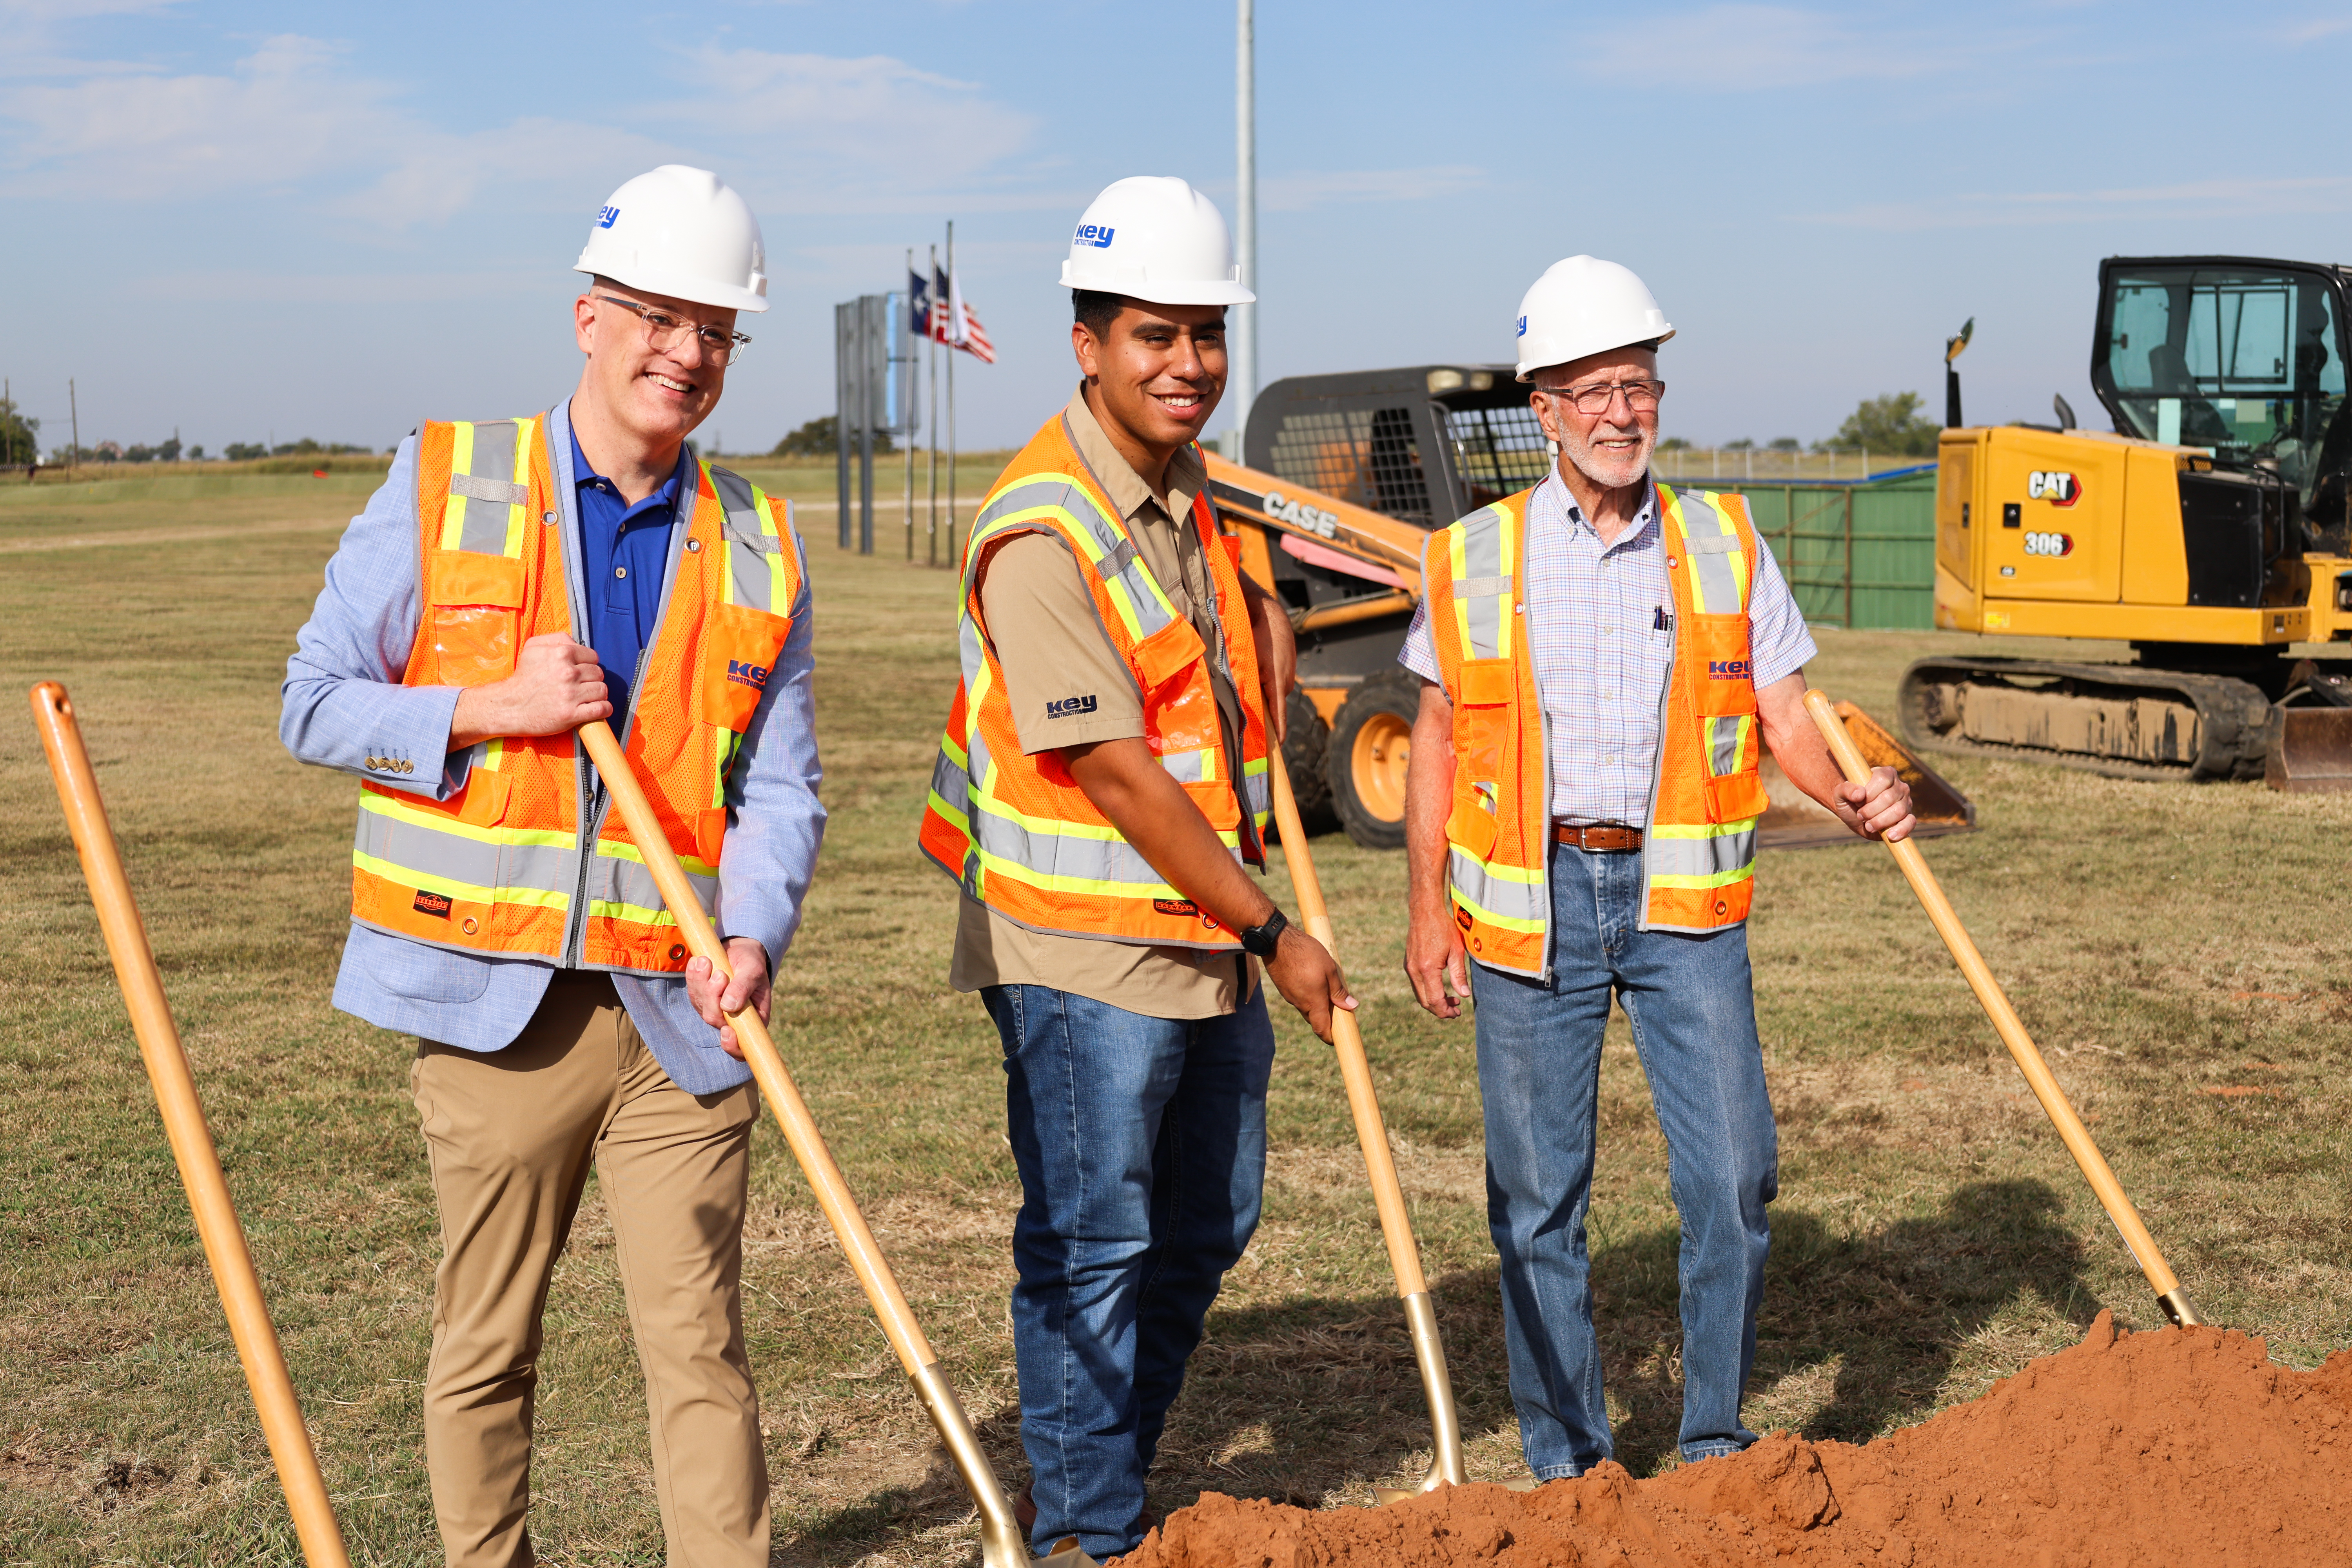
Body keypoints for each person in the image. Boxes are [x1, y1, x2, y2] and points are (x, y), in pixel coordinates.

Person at [280, 165, 822, 1568]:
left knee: (701, 1349)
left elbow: (780, 785)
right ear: (589, 316)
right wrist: (482, 708)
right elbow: (313, 701)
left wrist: (753, 934)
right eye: (656, 315)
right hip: (496, 1008)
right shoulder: (451, 478)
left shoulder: (759, 539)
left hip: (681, 1021)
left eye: (717, 328)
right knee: (488, 1345)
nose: (686, 353)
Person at [1398, 256, 1915, 1481]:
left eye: (1639, 384)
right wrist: (1425, 909)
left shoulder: (1724, 541)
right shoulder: (1471, 555)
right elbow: (1437, 732)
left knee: (1735, 1176)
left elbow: (1785, 712)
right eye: (1593, 389)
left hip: (1684, 906)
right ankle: (1569, 1465)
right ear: (1545, 410)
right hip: (1530, 909)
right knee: (1536, 1202)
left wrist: (1851, 790)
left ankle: (1715, 1444)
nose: (1622, 412)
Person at [916, 174, 1353, 1561]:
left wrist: (1269, 622)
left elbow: (1229, 663)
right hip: (1082, 951)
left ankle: (1091, 1469)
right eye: (1156, 335)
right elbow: (1115, 771)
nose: (1189, 365)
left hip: (1200, 934)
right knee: (1094, 1245)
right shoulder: (1043, 526)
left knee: (1212, 1221)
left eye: (1208, 336)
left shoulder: (1199, 492)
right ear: (1088, 343)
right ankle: (1088, 1534)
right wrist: (1275, 929)